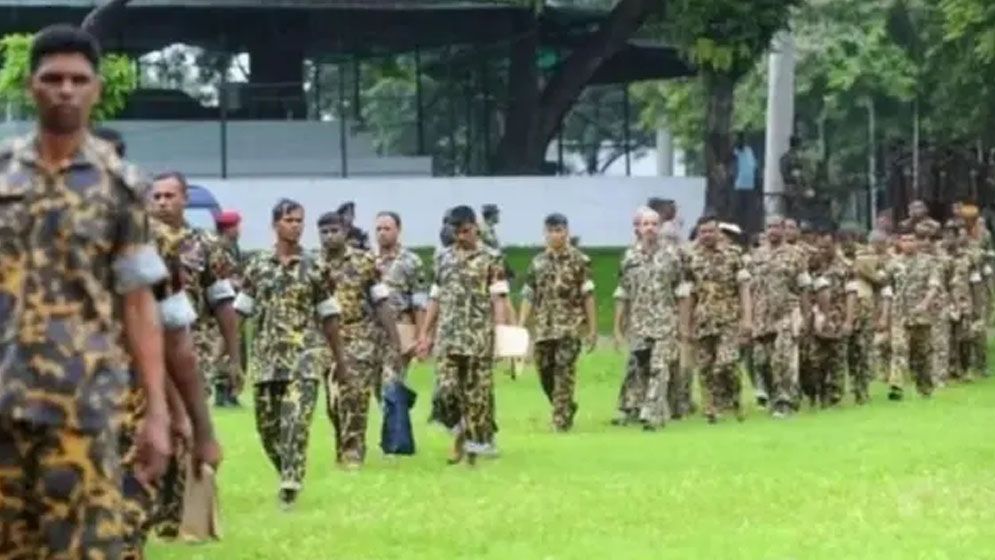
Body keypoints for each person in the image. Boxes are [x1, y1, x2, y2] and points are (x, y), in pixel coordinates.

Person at [0, 25, 171, 556]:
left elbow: (139, 302)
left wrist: (158, 412)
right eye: (53, 79)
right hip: (2, 399)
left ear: (96, 89)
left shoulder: (122, 186)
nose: (65, 90)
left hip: (84, 404)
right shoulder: (2, 175)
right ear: (31, 86)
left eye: (78, 79)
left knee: (84, 548)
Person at [93, 126, 222, 556]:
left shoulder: (152, 245)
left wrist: (194, 423)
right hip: (44, 418)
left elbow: (175, 343)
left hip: (129, 416)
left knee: (125, 534)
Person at [146, 172, 242, 537]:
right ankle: (155, 507)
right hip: (145, 346)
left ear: (185, 199)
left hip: (192, 342)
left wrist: (233, 356)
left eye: (170, 195)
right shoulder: (138, 242)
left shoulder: (205, 245)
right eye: (156, 196)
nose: (162, 202)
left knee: (183, 423)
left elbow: (222, 303)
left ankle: (179, 515)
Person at [234, 199, 347, 509]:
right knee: (268, 429)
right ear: (275, 225)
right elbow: (240, 313)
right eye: (289, 220)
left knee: (295, 422)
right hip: (267, 358)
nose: (295, 226)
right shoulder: (257, 265)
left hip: (305, 357)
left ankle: (290, 485)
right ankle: (287, 469)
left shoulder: (315, 266)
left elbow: (329, 315)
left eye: (299, 221)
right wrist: (229, 356)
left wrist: (340, 360)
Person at [416, 206, 512, 465]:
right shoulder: (442, 259)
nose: (461, 237)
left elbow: (499, 299)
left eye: (466, 231)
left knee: (477, 397)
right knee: (445, 392)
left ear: (475, 227)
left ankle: (472, 448)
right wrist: (425, 334)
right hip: (448, 337)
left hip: (479, 338)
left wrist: (501, 335)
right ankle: (459, 430)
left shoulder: (492, 258)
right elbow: (435, 299)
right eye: (456, 232)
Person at [315, 211, 401, 468]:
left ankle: (353, 448)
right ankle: (343, 440)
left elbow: (380, 302)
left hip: (359, 336)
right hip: (324, 339)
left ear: (345, 232)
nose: (330, 237)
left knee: (355, 393)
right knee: (334, 401)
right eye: (325, 232)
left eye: (335, 231)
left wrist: (394, 340)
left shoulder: (364, 262)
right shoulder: (312, 264)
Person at [519, 213, 597, 432]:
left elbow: (588, 296)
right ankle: (564, 406)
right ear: (545, 233)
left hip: (569, 327)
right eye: (551, 231)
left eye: (560, 230)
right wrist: (521, 325)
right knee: (544, 372)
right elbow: (529, 295)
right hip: (544, 328)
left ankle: (560, 421)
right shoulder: (537, 263)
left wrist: (592, 329)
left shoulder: (580, 261)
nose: (555, 235)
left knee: (564, 372)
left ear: (567, 232)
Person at [611, 209, 684, 430]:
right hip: (639, 322)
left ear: (660, 228)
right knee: (638, 367)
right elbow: (623, 292)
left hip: (665, 320)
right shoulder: (629, 257)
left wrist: (681, 322)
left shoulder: (672, 256)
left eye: (654, 223)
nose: (650, 228)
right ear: (638, 228)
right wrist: (617, 327)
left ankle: (651, 413)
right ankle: (633, 407)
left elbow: (680, 289)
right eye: (646, 224)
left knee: (659, 367)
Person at [749, 217, 811, 416]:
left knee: (782, 358)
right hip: (761, 315)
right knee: (762, 361)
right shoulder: (756, 256)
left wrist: (805, 315)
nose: (772, 231)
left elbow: (803, 286)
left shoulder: (796, 255)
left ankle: (784, 402)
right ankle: (772, 393)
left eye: (777, 227)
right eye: (769, 227)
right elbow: (749, 289)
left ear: (784, 230)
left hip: (786, 312)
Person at [880, 226, 940, 400]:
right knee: (899, 349)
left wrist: (925, 303)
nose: (908, 244)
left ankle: (925, 388)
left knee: (922, 354)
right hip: (900, 314)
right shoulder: (893, 264)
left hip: (922, 316)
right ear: (899, 242)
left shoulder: (929, 262)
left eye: (912, 240)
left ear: (918, 242)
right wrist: (883, 313)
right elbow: (886, 289)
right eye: (905, 240)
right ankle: (896, 387)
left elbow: (934, 286)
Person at [375, 211, 429, 393]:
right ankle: (393, 419)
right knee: (377, 387)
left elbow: (419, 300)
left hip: (400, 327)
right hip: (373, 330)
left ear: (398, 230)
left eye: (387, 228)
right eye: (378, 229)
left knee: (391, 383)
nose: (382, 233)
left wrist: (421, 335)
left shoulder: (411, 261)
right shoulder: (368, 260)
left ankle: (396, 420)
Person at [810, 227, 855, 408]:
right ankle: (819, 392)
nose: (822, 251)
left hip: (838, 316)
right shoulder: (812, 265)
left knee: (837, 359)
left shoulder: (845, 266)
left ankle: (834, 395)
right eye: (820, 248)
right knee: (815, 359)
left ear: (835, 245)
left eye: (826, 247)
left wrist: (849, 321)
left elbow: (851, 294)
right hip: (816, 318)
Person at [215, 209, 247, 406]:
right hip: (224, 307)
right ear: (228, 228)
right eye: (236, 226)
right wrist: (235, 282)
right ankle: (222, 392)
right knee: (223, 349)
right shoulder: (218, 250)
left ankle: (233, 391)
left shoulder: (234, 248)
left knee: (237, 350)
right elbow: (218, 277)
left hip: (237, 306)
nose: (239, 230)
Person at [733, 132, 758, 232]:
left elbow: (754, 166)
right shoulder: (735, 151)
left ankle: (748, 231)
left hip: (750, 186)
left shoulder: (749, 151)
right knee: (739, 213)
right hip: (738, 186)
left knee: (749, 214)